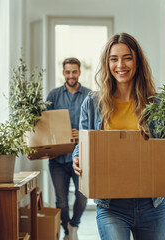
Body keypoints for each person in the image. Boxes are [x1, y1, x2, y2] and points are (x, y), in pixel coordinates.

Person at [72, 33, 165, 240]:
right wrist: (77, 158)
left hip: (152, 204)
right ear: (107, 64)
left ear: (137, 61)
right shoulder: (92, 103)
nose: (120, 65)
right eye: (114, 59)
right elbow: (83, 143)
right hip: (111, 205)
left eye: (127, 57)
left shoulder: (156, 104)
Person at [46, 57, 91, 240]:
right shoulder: (54, 95)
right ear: (63, 73)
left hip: (82, 157)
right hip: (58, 160)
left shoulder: (90, 96)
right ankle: (66, 232)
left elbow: (97, 124)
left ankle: (74, 224)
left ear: (79, 72)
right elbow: (45, 124)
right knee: (61, 202)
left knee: (82, 197)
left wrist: (83, 133)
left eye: (74, 71)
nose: (71, 75)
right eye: (67, 72)